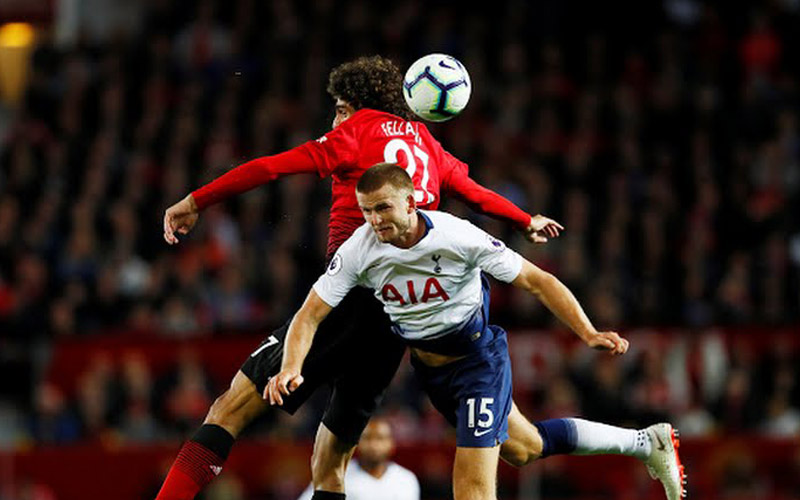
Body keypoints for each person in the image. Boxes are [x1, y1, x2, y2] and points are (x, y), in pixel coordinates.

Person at [157, 55, 563, 500]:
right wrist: (525, 220)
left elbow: (270, 167)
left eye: (338, 109)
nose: (334, 120)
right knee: (331, 459)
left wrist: (196, 201)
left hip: (349, 297)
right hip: (397, 315)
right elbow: (476, 195)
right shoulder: (428, 145)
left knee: (228, 409)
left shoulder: (354, 133)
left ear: (354, 106)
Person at [267, 164, 686, 500]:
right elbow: (308, 315)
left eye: (383, 208)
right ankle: (645, 442)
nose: (374, 220)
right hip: (432, 372)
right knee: (526, 448)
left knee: (471, 488)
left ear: (411, 202)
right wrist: (290, 367)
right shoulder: (359, 250)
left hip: (477, 364)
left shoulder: (457, 236)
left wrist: (588, 332)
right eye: (366, 211)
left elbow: (538, 281)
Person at [297, 417, 420, 500]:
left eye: (380, 438)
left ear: (391, 444)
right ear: (356, 443)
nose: (373, 445)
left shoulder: (406, 480)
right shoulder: (336, 475)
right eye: (367, 438)